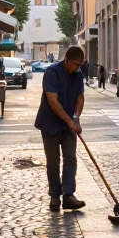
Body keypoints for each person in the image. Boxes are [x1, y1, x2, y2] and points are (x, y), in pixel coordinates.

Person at [34, 44, 86, 211]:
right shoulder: (52, 73)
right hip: (49, 123)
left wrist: (76, 118)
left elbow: (80, 98)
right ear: (67, 60)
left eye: (80, 65)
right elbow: (52, 101)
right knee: (53, 161)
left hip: (68, 124)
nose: (77, 68)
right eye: (75, 64)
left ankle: (69, 195)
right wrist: (69, 120)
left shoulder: (78, 75)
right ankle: (55, 196)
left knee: (70, 158)